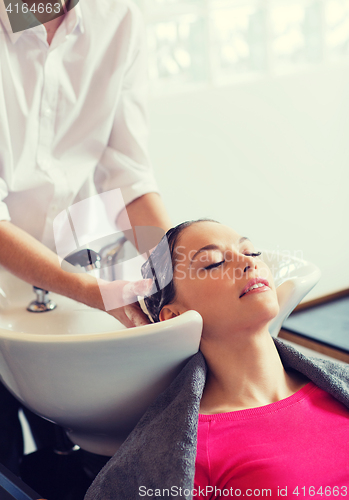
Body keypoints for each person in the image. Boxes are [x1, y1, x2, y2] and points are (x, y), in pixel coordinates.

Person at [0, 0, 171, 477]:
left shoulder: (118, 18)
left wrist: (171, 265)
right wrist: (92, 291)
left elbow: (130, 175)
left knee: (83, 447)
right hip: (30, 277)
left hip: (80, 256)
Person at [84, 219, 349, 499]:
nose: (248, 263)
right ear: (175, 315)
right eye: (213, 263)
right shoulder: (193, 451)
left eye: (250, 251)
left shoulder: (335, 388)